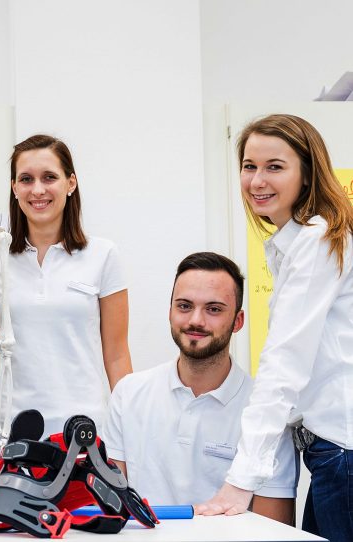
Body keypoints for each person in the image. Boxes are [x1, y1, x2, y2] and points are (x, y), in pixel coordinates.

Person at [195, 114, 353, 541]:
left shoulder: (318, 241)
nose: (257, 180)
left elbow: (285, 361)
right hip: (331, 450)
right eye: (249, 166)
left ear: (307, 172)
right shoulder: (297, 242)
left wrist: (241, 481)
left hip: (342, 452)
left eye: (274, 167)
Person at [0, 134, 132, 494]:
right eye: (26, 179)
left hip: (85, 437)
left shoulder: (103, 256)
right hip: (7, 437)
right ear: (14, 188)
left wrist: (125, 443)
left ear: (70, 183)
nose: (38, 189)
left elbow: (117, 357)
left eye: (49, 177)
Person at [102, 252, 295, 524]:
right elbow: (112, 512)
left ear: (238, 321)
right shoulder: (128, 394)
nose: (196, 321)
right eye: (184, 306)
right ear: (169, 312)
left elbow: (275, 531)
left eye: (213, 309)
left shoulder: (268, 413)